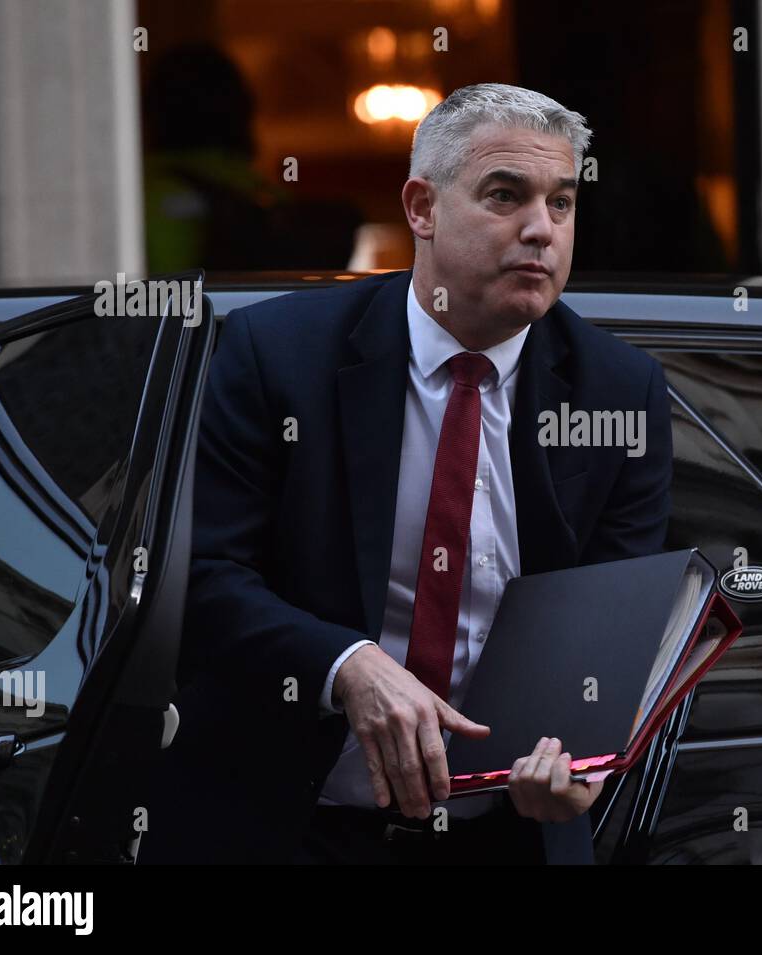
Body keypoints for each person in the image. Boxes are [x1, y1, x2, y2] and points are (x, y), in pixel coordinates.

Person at [141, 83, 673, 864]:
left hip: (507, 836)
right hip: (293, 824)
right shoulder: (277, 355)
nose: (541, 229)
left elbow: (615, 617)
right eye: (505, 195)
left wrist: (577, 759)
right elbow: (207, 577)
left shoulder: (619, 392)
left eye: (562, 204)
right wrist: (344, 664)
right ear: (421, 208)